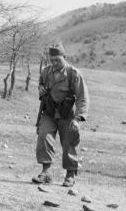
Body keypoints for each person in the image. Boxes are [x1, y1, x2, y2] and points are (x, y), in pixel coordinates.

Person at [33, 43, 89, 187]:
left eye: (57, 59)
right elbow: (41, 85)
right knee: (44, 136)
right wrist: (40, 88)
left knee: (69, 142)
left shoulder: (73, 74)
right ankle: (46, 173)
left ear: (64, 57)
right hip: (49, 112)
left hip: (67, 114)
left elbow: (82, 97)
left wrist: (77, 119)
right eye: (52, 60)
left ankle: (70, 175)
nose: (54, 63)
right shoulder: (46, 72)